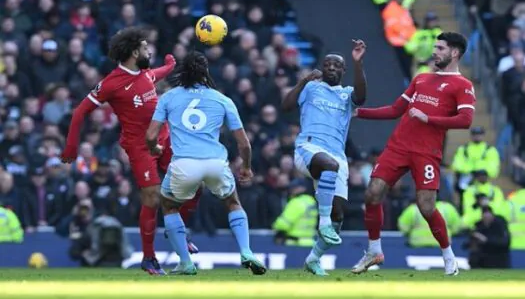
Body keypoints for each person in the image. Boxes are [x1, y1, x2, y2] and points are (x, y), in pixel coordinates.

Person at [61, 27, 200, 275]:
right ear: (135, 52)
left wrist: (169, 66)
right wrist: (71, 146)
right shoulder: (111, 83)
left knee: (192, 183)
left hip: (166, 137)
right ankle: (149, 258)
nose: (149, 51)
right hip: (139, 146)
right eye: (146, 48)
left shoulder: (144, 73)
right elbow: (80, 112)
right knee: (152, 197)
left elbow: (153, 76)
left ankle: (179, 234)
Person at [351, 32, 476, 276]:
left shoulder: (463, 85)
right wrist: (358, 113)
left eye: (440, 48)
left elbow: (465, 120)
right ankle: (374, 251)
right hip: (398, 146)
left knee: (426, 207)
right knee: (372, 193)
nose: (434, 52)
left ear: (454, 53)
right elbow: (396, 109)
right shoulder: (421, 78)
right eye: (435, 47)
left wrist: (428, 118)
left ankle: (449, 256)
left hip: (426, 152)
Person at [145, 51, 267, 276]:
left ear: (182, 71)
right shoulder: (222, 100)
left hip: (184, 164)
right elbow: (244, 144)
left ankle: (185, 263)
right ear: (206, 72)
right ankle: (246, 251)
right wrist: (247, 167)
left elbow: (151, 135)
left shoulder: (169, 97)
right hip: (215, 163)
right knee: (232, 202)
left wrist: (155, 149)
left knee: (169, 206)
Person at [282, 40, 367, 276]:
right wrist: (303, 81)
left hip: (337, 156)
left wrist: (358, 63)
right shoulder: (311, 88)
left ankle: (313, 258)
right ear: (321, 68)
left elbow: (362, 96)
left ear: (343, 71)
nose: (331, 67)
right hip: (307, 148)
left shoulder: (347, 95)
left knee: (338, 215)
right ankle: (323, 223)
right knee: (329, 167)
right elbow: (286, 105)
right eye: (327, 64)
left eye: (336, 65)